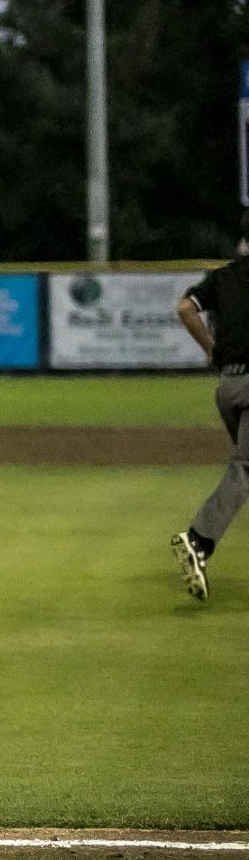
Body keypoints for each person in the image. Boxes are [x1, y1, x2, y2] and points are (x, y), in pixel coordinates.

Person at [170, 211, 249, 603]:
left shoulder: (225, 276)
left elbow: (186, 308)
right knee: (246, 466)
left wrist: (212, 350)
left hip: (230, 385)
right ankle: (199, 540)